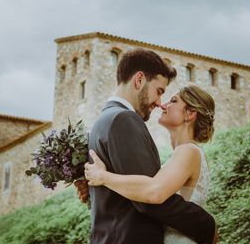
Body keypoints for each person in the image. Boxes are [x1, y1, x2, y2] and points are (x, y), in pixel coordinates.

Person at [74, 48, 217, 244]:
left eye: (171, 99)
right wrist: (207, 225)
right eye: (159, 92)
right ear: (139, 80)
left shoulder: (104, 120)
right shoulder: (123, 119)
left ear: (190, 114)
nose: (161, 103)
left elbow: (150, 191)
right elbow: (149, 196)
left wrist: (102, 179)